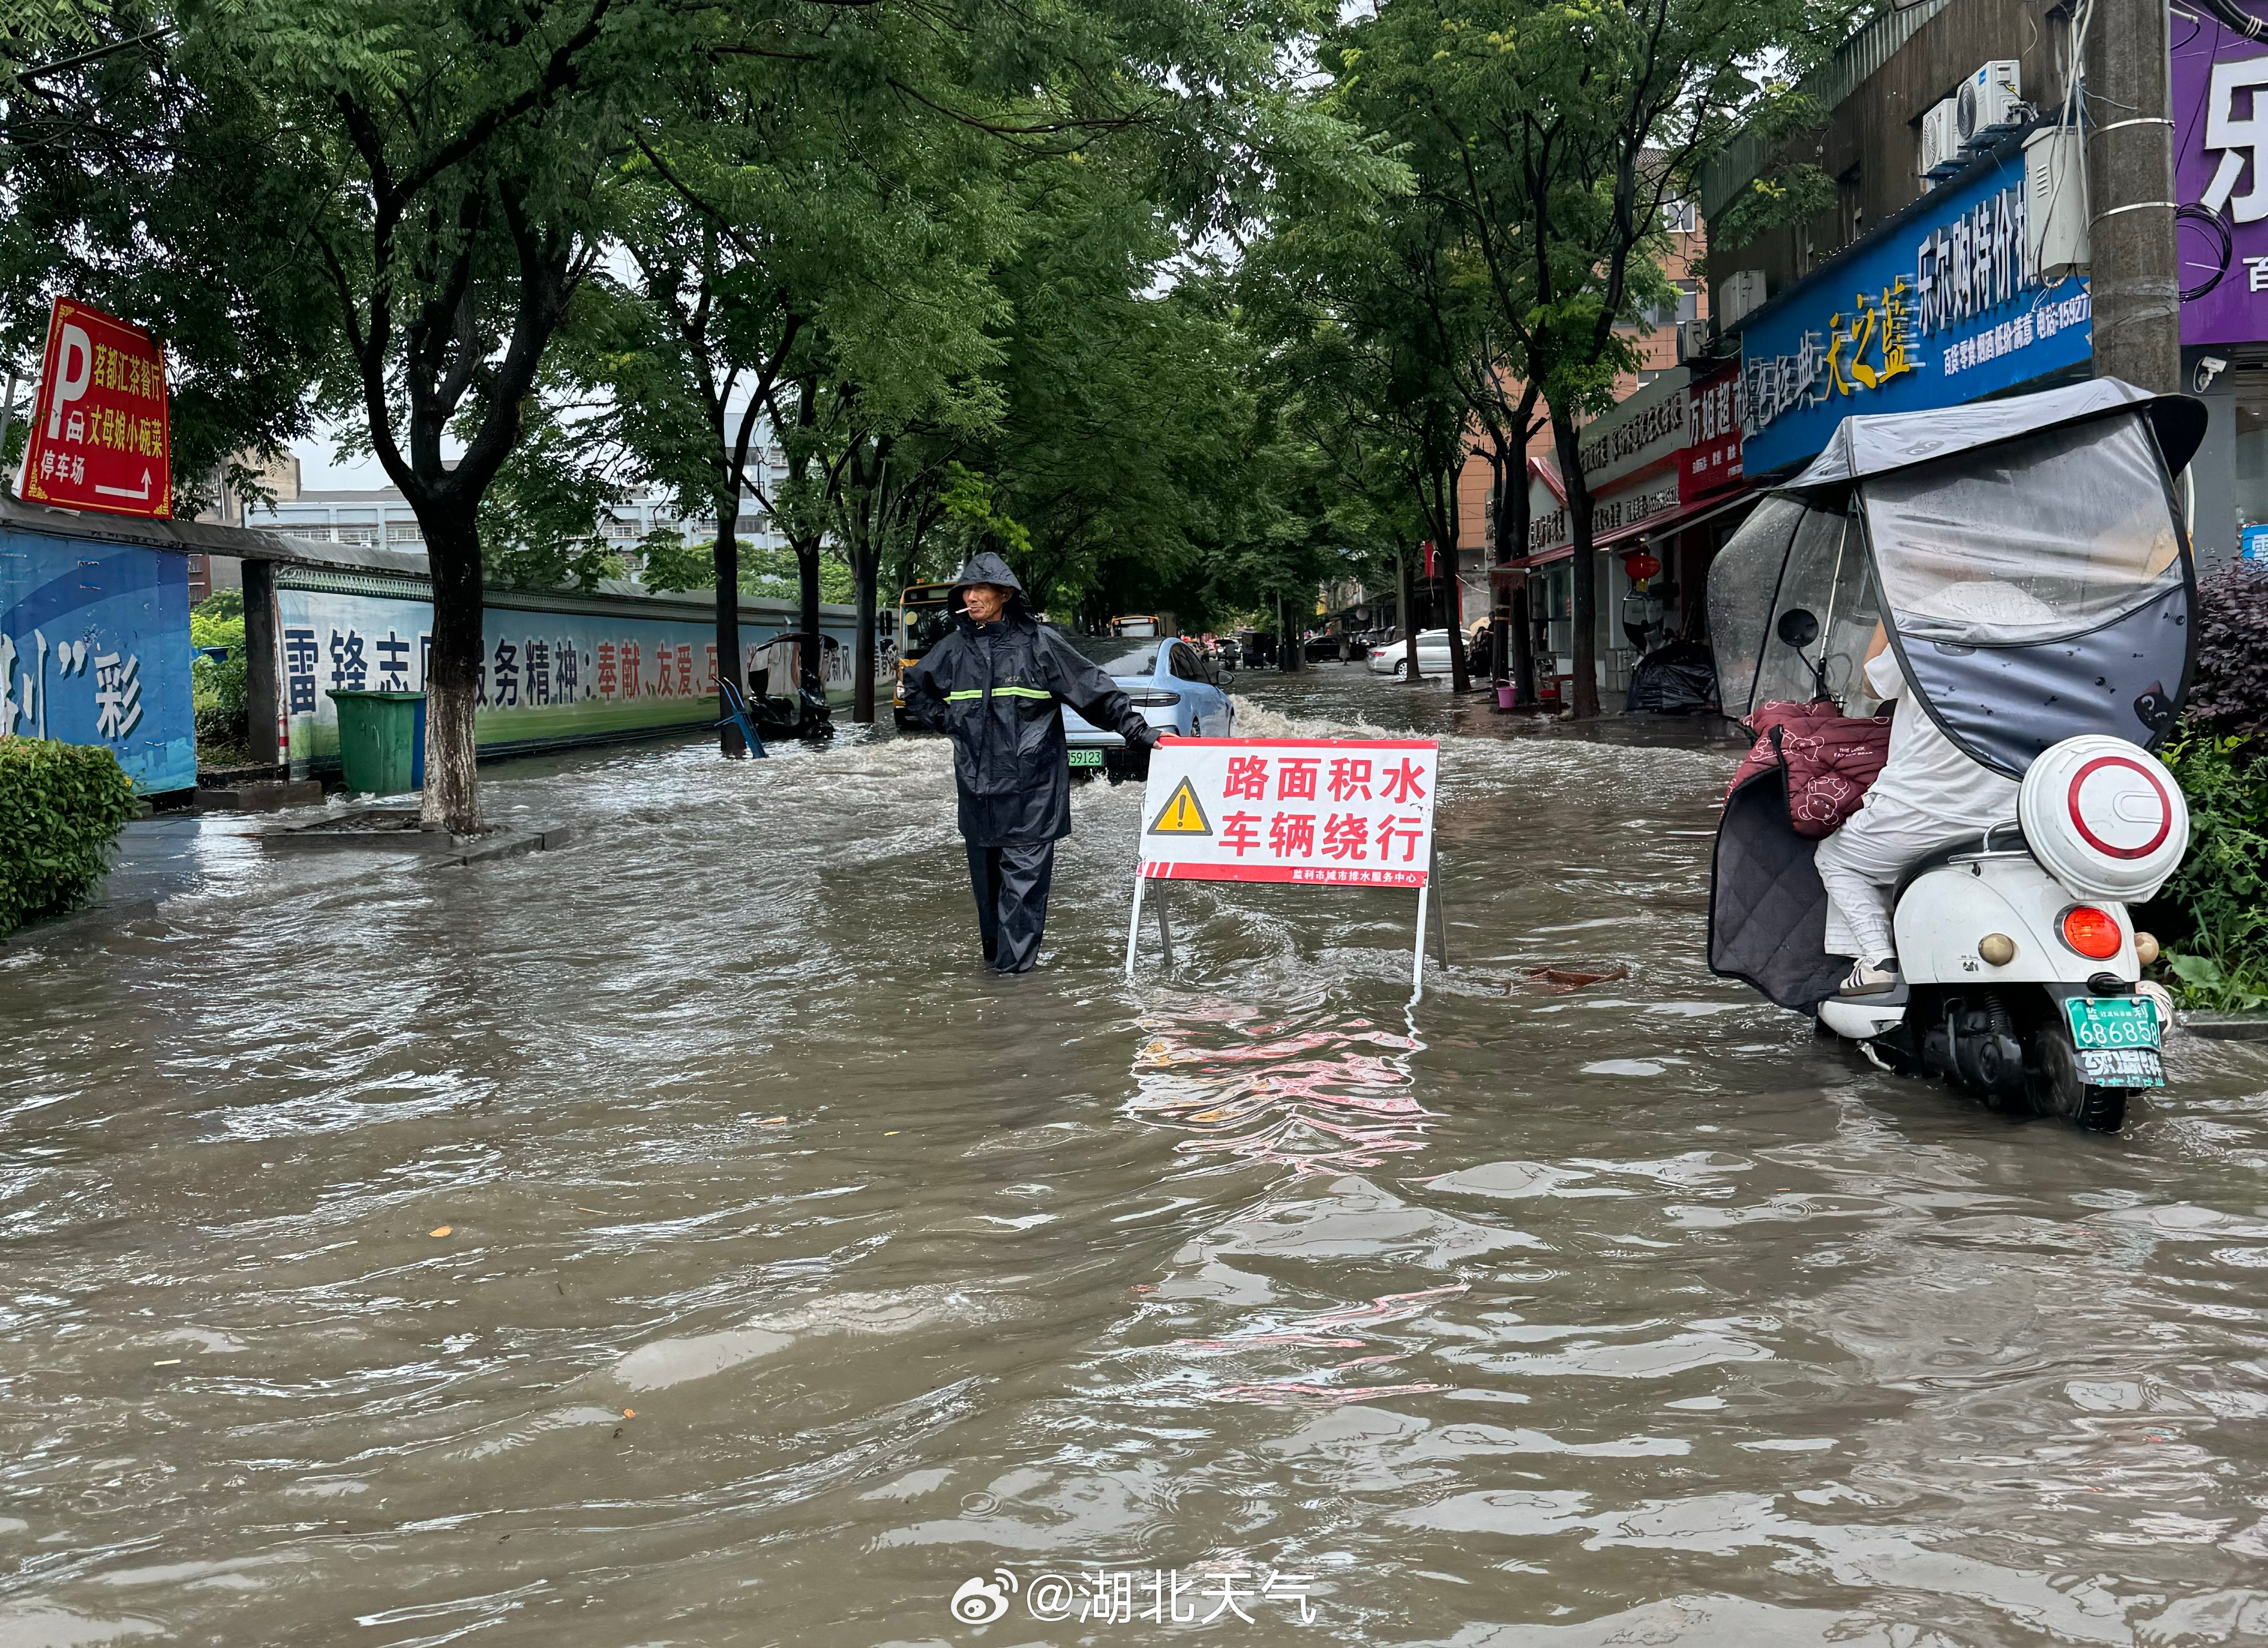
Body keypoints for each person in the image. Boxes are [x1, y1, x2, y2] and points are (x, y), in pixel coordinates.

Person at [902, 552, 1165, 974]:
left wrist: (1140, 731)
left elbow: (1094, 691)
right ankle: (997, 977)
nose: (970, 597)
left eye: (979, 589)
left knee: (1021, 900)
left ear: (1004, 593)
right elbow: (916, 688)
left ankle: (1010, 994)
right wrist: (951, 721)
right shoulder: (954, 649)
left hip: (1032, 795)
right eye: (965, 590)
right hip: (977, 795)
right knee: (989, 903)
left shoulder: (1039, 644)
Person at [1814, 580, 2055, 996]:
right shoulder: (2049, 621)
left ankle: (1878, 960)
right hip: (2019, 816)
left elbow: (1874, 686)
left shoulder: (1928, 609)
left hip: (1919, 814)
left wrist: (1890, 608)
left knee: (1837, 857)